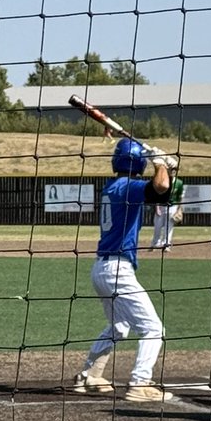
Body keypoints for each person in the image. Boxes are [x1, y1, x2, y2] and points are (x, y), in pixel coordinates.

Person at [74, 138, 176, 402]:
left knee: (119, 327)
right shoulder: (128, 187)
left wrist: (167, 167)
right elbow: (161, 186)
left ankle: (89, 375)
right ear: (138, 163)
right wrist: (161, 163)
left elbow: (162, 190)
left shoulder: (113, 187)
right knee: (153, 328)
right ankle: (140, 383)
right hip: (117, 269)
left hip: (102, 268)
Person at [151, 170, 184, 249]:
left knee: (169, 226)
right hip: (161, 206)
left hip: (172, 206)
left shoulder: (179, 183)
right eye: (170, 171)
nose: (172, 172)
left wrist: (179, 209)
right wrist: (157, 207)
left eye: (174, 171)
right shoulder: (162, 181)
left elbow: (180, 197)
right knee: (157, 226)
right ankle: (155, 243)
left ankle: (166, 244)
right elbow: (157, 195)